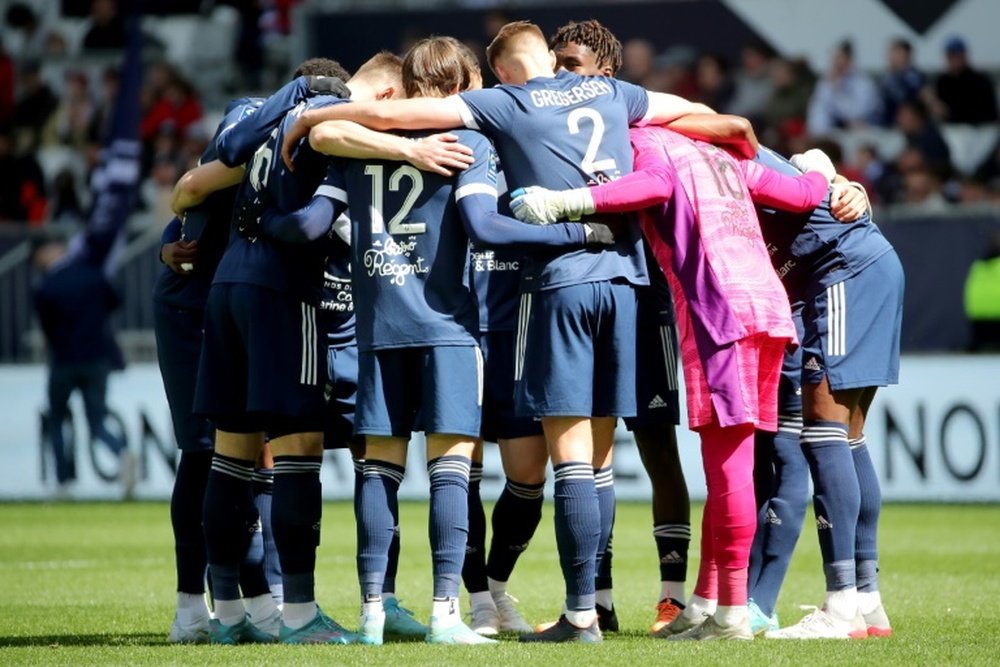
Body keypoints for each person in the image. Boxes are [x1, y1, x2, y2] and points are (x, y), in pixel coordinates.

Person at [303, 35, 623, 645]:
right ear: (458, 86)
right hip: (447, 327)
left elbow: (317, 198)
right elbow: (484, 226)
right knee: (452, 471)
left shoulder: (356, 149)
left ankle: (373, 610)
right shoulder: (466, 142)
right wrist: (574, 234)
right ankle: (448, 612)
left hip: (377, 329)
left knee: (379, 472)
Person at [510, 135, 837, 641]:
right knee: (731, 465)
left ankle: (731, 616)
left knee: (727, 468)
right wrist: (821, 169)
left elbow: (653, 183)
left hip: (717, 309)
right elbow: (798, 196)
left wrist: (563, 201)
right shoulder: (718, 156)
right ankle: (707, 603)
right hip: (767, 305)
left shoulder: (644, 142)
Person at [177, 56, 369, 646]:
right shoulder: (331, 123)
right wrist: (276, 224)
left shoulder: (260, 125)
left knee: (230, 457)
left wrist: (255, 218)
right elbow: (312, 228)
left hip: (227, 287)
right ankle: (298, 614)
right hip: (284, 294)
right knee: (297, 452)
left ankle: (228, 614)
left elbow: (220, 157)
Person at [547, 18, 690, 634]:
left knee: (657, 445)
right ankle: (598, 598)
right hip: (590, 294)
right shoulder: (543, 126)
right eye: (557, 63)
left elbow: (712, 129)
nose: (561, 74)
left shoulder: (639, 124)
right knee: (593, 451)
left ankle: (673, 594)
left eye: (573, 64)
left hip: (646, 294)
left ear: (605, 69)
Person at [806, 40, 881, 135]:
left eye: (839, 58)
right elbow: (819, 111)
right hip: (833, 131)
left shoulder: (863, 82)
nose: (835, 62)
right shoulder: (826, 81)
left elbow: (857, 114)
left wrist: (838, 91)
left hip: (863, 129)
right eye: (834, 58)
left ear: (848, 59)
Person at [930, 37, 998, 125]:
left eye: (958, 55)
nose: (955, 60)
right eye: (951, 56)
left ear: (965, 56)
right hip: (952, 130)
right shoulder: (942, 81)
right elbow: (939, 110)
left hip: (981, 129)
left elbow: (989, 112)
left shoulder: (980, 80)